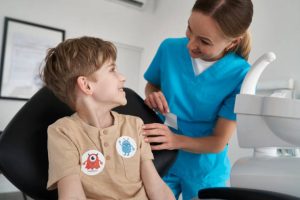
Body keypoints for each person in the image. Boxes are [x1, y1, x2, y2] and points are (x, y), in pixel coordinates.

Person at [142, 0, 253, 199]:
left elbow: (218, 141)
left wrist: (175, 140)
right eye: (189, 29)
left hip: (205, 169)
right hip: (161, 157)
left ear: (233, 42)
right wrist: (152, 94)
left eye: (204, 41)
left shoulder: (241, 74)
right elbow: (152, 85)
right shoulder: (169, 49)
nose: (190, 44)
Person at [41, 36, 175, 200]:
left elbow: (156, 187)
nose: (122, 77)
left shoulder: (134, 125)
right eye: (112, 70)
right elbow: (72, 196)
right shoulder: (63, 132)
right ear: (87, 85)